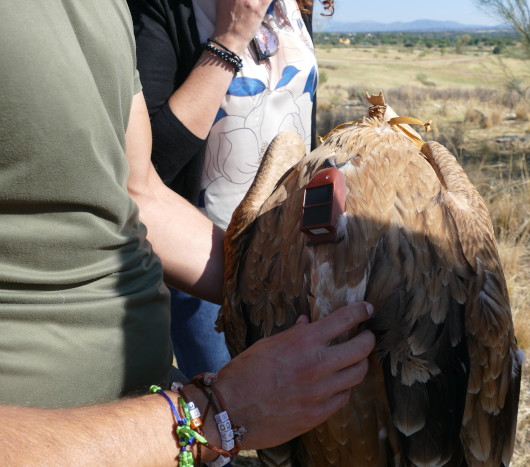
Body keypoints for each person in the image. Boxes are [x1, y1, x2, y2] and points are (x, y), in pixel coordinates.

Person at [0, 1, 374, 464]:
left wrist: (304, 287)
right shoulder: (156, 11)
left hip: (157, 398)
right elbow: (161, 160)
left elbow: (138, 193)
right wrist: (214, 412)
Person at [127, 0, 334, 378]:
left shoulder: (292, 7)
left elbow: (299, 110)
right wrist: (231, 38)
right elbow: (150, 165)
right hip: (207, 260)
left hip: (297, 253)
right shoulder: (162, 9)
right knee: (229, 417)